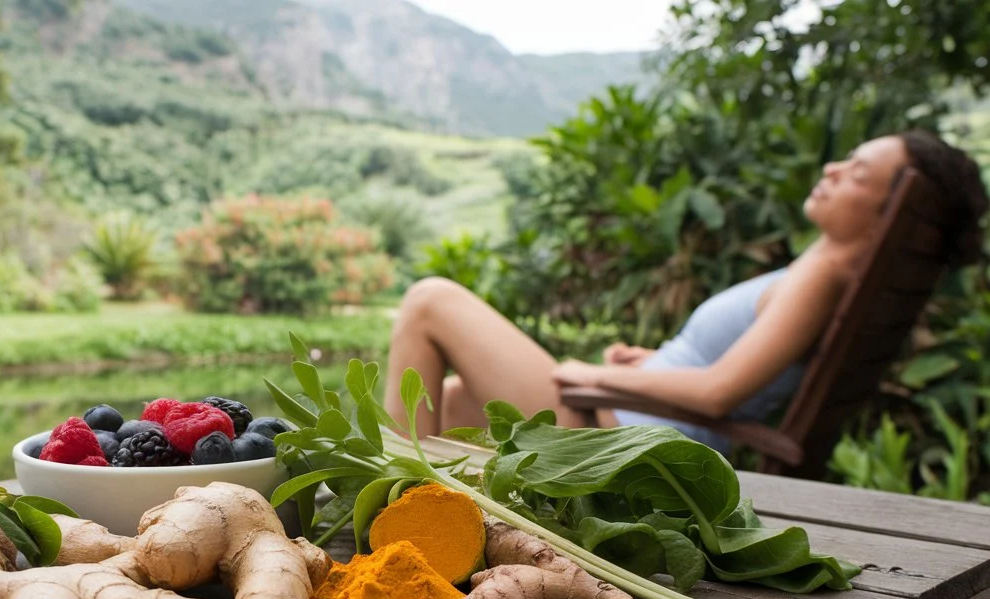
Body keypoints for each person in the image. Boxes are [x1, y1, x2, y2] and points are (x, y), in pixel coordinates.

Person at [384, 131, 988, 453]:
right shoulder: (827, 274)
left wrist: (594, 374)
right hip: (631, 422)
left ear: (889, 216)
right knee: (457, 399)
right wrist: (649, 363)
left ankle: (390, 496)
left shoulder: (825, 274)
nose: (832, 170)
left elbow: (720, 391)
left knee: (431, 300)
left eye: (857, 173)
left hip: (619, 440)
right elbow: (732, 374)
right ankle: (429, 516)